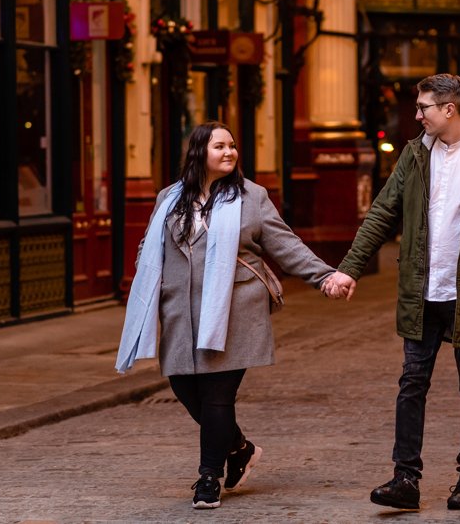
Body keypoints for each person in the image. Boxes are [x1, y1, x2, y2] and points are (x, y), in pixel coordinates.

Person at [324, 73, 460, 511]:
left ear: (450, 109)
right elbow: (382, 212)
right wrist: (349, 268)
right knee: (411, 383)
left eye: (424, 108)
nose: (417, 115)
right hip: (422, 291)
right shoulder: (416, 155)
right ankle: (405, 479)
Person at [116, 122, 337, 510]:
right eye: (220, 146)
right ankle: (240, 448)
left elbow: (284, 244)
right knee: (186, 391)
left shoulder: (252, 197)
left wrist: (325, 276)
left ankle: (208, 478)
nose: (229, 152)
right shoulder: (169, 197)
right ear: (199, 152)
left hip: (234, 309)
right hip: (180, 311)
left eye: (233, 146)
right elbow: (150, 245)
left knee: (218, 396)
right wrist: (149, 280)